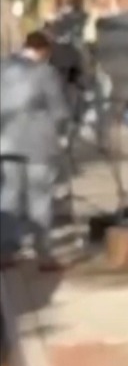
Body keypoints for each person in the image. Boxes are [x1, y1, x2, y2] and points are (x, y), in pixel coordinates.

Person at [0, 31, 70, 271]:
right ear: (44, 51)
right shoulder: (45, 73)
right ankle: (43, 254)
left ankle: (6, 251)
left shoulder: (3, 68)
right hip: (38, 144)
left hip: (7, 143)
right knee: (39, 198)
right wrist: (63, 132)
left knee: (9, 195)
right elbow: (59, 110)